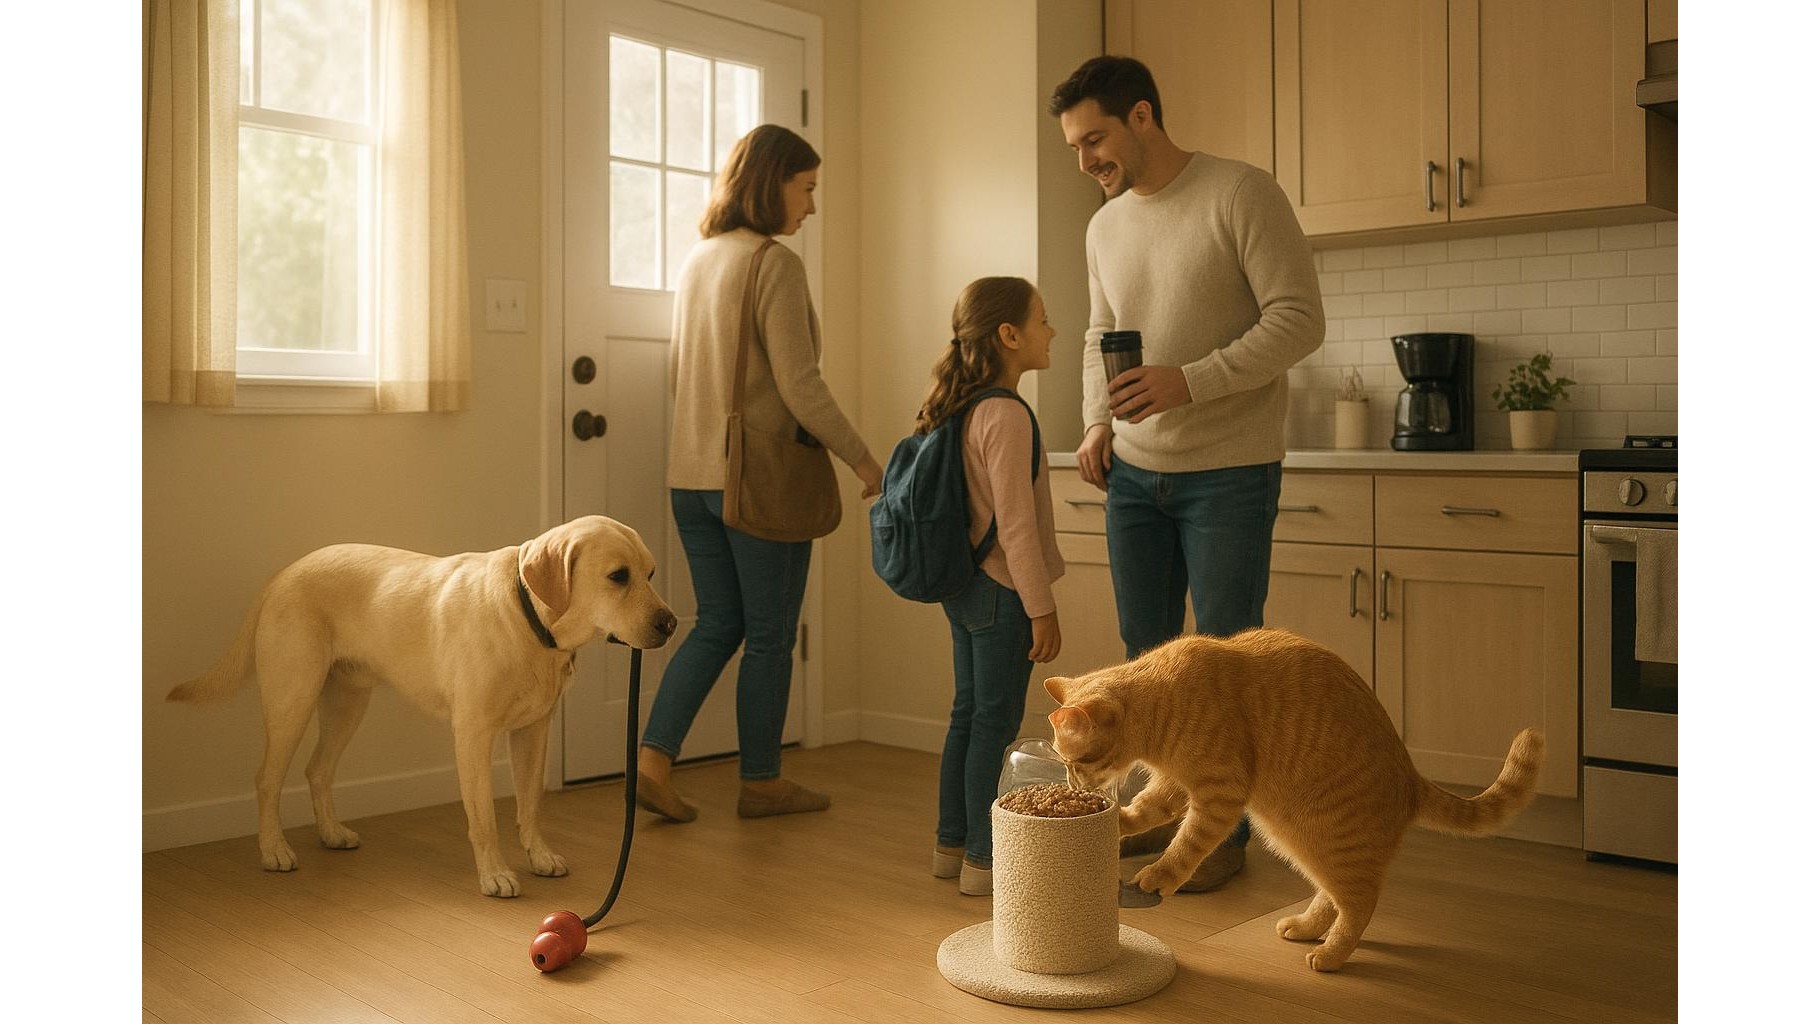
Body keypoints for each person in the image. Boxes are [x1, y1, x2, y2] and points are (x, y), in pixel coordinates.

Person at [1049, 56, 1325, 889]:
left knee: (1229, 667)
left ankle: (1222, 843)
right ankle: (1159, 827)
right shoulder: (1104, 227)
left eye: (1093, 138)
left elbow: (1300, 321)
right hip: (1133, 477)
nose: (1085, 159)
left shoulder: (1241, 193)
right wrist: (1097, 421)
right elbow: (1102, 336)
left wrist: (1188, 380)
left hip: (1230, 470)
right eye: (1073, 145)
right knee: (1146, 666)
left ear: (1141, 117)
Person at [636, 124, 883, 822]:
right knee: (771, 634)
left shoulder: (699, 260)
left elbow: (681, 372)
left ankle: (653, 759)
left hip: (690, 476)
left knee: (716, 622)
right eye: (805, 188)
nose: (810, 206)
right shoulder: (773, 263)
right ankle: (763, 780)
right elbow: (801, 385)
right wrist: (864, 458)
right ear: (770, 182)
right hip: (756, 478)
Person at [918, 277, 1067, 897]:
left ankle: (951, 847)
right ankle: (984, 860)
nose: (1052, 329)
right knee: (993, 726)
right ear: (1009, 336)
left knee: (967, 718)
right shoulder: (1005, 413)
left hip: (965, 587)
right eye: (1043, 319)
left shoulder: (963, 405)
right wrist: (1042, 609)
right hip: (1003, 590)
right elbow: (1017, 527)